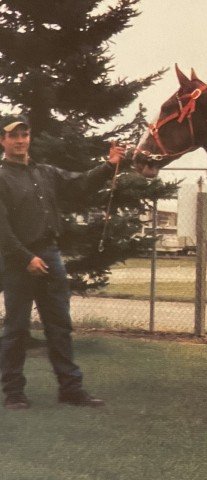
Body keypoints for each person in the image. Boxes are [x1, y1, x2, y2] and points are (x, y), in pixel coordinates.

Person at [0, 114, 125, 410]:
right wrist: (26, 258)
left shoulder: (45, 172)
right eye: (13, 136)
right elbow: (1, 229)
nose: (20, 140)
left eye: (24, 134)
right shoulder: (1, 177)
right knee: (16, 328)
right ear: (2, 141)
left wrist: (109, 165)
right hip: (18, 260)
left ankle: (70, 389)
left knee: (59, 325)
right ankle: (14, 392)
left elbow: (80, 183)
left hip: (50, 256)